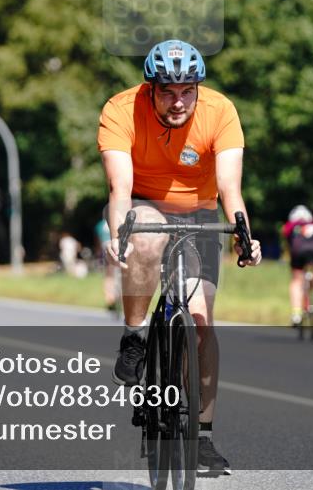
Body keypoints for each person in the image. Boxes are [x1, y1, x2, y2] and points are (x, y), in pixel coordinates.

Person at [97, 39, 262, 475]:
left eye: (187, 90)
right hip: (146, 202)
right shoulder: (120, 109)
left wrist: (243, 235)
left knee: (202, 321)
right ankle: (134, 336)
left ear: (198, 88)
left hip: (202, 212)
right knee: (146, 241)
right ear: (150, 88)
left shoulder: (220, 111)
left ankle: (202, 434)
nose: (178, 101)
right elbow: (120, 188)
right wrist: (120, 235)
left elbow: (230, 187)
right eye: (167, 92)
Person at [282, 205, 313, 326]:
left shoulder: (290, 226)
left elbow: (289, 246)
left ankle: (296, 314)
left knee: (297, 281)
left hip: (299, 252)